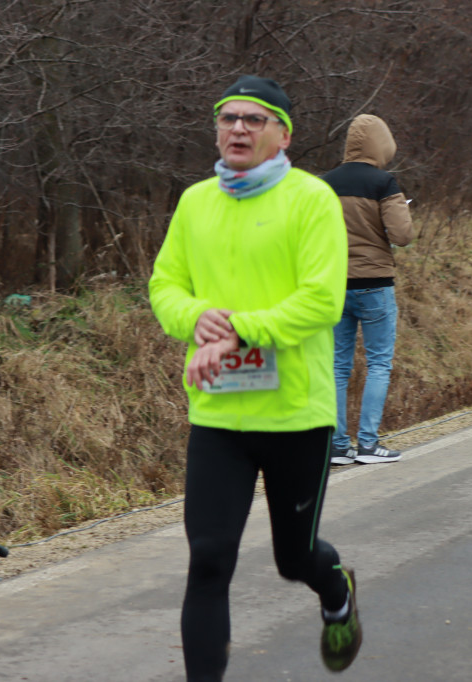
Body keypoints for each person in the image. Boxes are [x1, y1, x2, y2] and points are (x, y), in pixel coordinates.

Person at [149, 75, 361, 681]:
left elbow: (322, 301)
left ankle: (336, 588)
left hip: (296, 413)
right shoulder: (195, 203)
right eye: (228, 118)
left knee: (294, 560)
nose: (238, 128)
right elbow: (165, 286)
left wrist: (239, 331)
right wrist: (196, 317)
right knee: (209, 561)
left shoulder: (312, 199)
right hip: (219, 414)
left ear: (282, 134)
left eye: (254, 120)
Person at [320, 114, 413, 466]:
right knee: (378, 363)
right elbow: (402, 236)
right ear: (381, 144)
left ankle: (338, 446)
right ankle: (370, 445)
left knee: (336, 366)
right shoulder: (383, 183)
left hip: (333, 286)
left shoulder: (324, 184)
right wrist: (400, 210)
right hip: (374, 285)